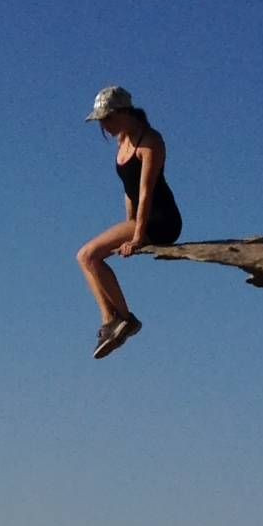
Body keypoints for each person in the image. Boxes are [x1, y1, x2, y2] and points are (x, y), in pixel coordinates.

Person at [78, 84, 178, 358]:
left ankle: (124, 320)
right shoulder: (123, 141)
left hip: (162, 220)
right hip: (140, 220)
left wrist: (136, 235)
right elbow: (129, 189)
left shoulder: (150, 142)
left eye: (107, 118)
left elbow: (146, 191)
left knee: (87, 255)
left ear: (124, 112)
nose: (104, 126)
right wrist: (128, 225)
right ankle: (111, 321)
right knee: (88, 259)